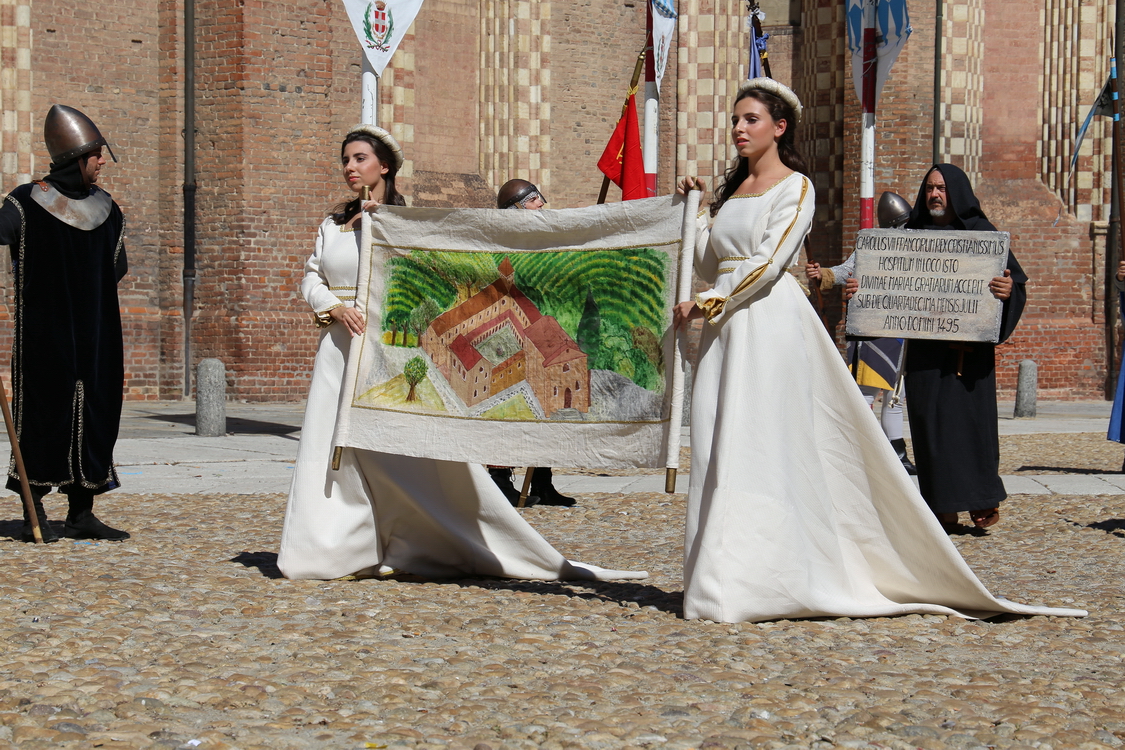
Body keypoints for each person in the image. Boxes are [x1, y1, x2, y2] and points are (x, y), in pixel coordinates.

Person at [671, 78, 1082, 623]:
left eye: (750, 119)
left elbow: (770, 264)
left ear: (779, 126)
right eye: (735, 120)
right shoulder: (732, 195)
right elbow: (707, 262)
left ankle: (763, 573)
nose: (738, 129)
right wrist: (697, 209)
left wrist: (711, 301)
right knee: (716, 441)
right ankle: (717, 575)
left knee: (760, 442)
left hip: (763, 325)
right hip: (725, 328)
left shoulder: (796, 187)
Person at [276, 125, 645, 582]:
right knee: (330, 445)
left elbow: (441, 268)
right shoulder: (331, 225)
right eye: (346, 160)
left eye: (359, 159)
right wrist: (330, 306)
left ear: (384, 166)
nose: (350, 168)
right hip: (335, 347)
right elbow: (312, 275)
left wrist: (382, 224)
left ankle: (415, 536)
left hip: (378, 351)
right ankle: (332, 547)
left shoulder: (406, 224)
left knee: (392, 453)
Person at [0, 105, 129, 543]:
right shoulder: (24, 204)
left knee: (96, 412)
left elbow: (116, 269)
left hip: (97, 336)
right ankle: (33, 509)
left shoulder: (109, 212)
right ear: (77, 157)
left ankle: (81, 511)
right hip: (44, 336)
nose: (102, 161)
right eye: (96, 154)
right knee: (43, 414)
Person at [900, 164, 1025, 532]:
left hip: (966, 357)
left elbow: (1014, 282)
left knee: (970, 429)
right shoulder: (910, 236)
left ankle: (981, 498)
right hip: (925, 354)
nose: (935, 195)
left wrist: (1007, 291)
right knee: (930, 428)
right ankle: (941, 504)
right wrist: (865, 293)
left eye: (942, 189)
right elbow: (885, 280)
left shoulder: (982, 234)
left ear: (958, 193)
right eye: (929, 189)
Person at [805, 191, 916, 474]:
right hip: (873, 329)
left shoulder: (918, 244)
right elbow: (846, 271)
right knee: (866, 391)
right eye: (901, 223)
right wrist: (823, 275)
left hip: (903, 329)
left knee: (895, 393)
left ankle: (897, 453)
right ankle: (850, 448)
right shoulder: (871, 244)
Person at [484, 178, 577, 507]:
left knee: (544, 404)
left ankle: (542, 480)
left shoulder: (543, 241)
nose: (542, 205)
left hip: (541, 332)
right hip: (507, 336)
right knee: (507, 407)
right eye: (536, 200)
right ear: (517, 208)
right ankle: (499, 480)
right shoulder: (499, 244)